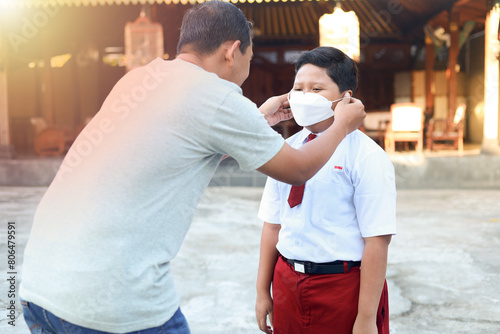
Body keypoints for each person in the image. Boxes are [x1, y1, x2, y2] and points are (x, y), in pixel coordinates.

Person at [19, 2, 365, 334]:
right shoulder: (218, 97)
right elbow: (299, 169)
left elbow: (184, 144)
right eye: (249, 57)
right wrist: (342, 124)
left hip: (40, 287)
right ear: (232, 51)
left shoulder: (140, 78)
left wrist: (258, 118)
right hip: (110, 300)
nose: (247, 67)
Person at [255, 46, 397, 334]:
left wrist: (366, 318)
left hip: (341, 286)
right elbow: (272, 226)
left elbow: (377, 241)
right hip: (287, 281)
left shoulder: (366, 156)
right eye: (298, 89)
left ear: (344, 97)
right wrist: (262, 290)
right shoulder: (285, 150)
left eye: (317, 89)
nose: (305, 97)